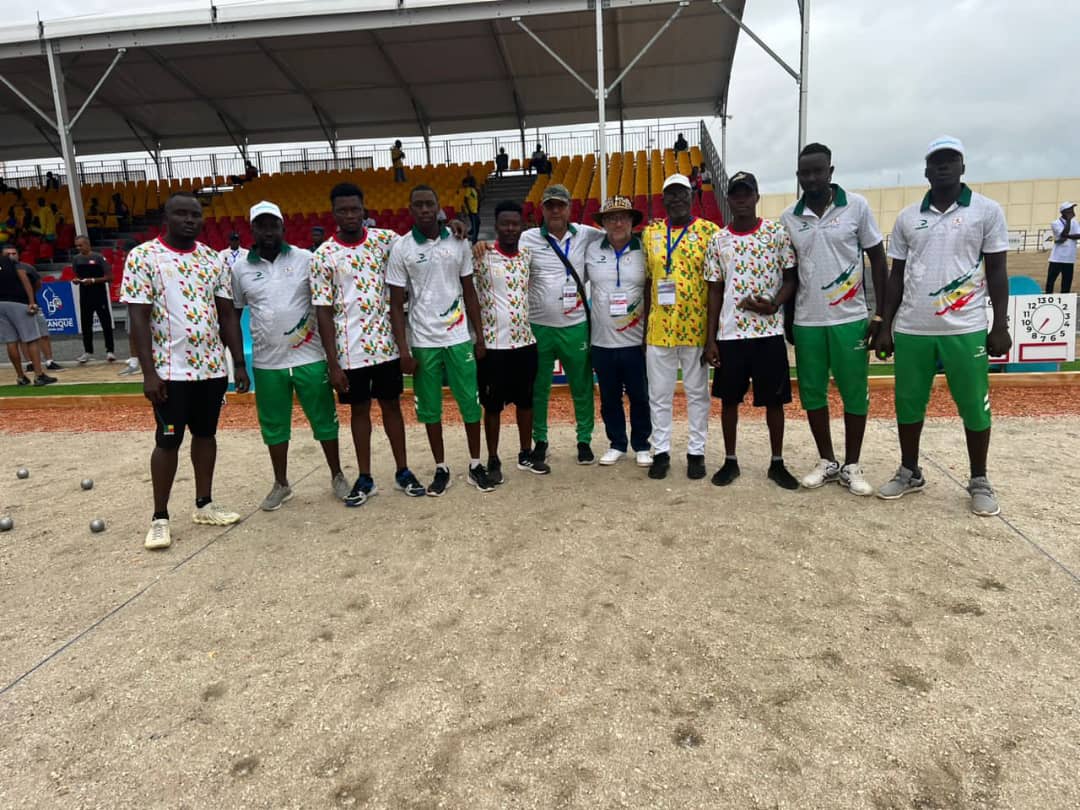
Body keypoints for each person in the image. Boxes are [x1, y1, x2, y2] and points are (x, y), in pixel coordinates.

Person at [873, 136, 1011, 516]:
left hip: (964, 328)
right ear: (926, 170)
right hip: (913, 328)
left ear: (963, 166)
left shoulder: (987, 211)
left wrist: (1000, 324)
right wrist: (886, 324)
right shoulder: (906, 217)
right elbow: (896, 275)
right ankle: (910, 470)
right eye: (937, 162)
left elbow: (997, 272)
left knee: (973, 406)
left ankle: (979, 478)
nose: (944, 167)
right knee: (908, 403)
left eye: (951, 160)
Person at [120, 191, 249, 551]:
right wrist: (149, 372)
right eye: (181, 214)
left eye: (195, 214)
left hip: (210, 369)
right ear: (167, 217)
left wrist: (237, 362)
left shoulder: (212, 259)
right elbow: (138, 319)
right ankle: (160, 517)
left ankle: (204, 504)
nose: (189, 220)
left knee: (206, 436)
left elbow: (226, 314)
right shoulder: (144, 257)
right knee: (168, 440)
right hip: (169, 373)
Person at [780, 143, 888, 495]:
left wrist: (881, 315)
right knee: (812, 393)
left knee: (854, 392)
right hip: (808, 322)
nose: (811, 178)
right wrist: (789, 317)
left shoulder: (856, 206)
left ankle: (852, 464)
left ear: (830, 172)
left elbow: (877, 258)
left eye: (818, 171)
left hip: (850, 318)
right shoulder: (789, 218)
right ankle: (827, 460)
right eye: (805, 173)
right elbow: (790, 273)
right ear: (798, 177)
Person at [311, 182, 427, 505]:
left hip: (387, 347)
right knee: (359, 411)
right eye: (342, 210)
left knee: (392, 407)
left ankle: (403, 470)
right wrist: (332, 363)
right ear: (333, 213)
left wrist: (453, 228)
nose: (349, 215)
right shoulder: (323, 256)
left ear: (364, 210)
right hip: (350, 353)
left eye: (354, 209)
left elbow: (424, 238)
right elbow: (322, 312)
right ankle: (365, 478)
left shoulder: (386, 241)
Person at [231, 200, 350, 510]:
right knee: (273, 425)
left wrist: (333, 359)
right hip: (268, 363)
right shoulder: (240, 268)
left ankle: (337, 475)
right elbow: (234, 313)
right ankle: (281, 483)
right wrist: (240, 365)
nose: (268, 231)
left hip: (310, 357)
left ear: (283, 227)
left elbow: (325, 307)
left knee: (325, 421)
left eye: (273, 225)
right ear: (252, 229)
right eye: (261, 225)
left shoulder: (306, 259)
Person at [387, 184, 495, 495]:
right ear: (411, 209)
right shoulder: (402, 248)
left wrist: (479, 336)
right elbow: (396, 303)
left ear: (438, 207)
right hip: (423, 340)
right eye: (418, 204)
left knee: (470, 404)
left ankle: (476, 465)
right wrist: (403, 348)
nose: (424, 209)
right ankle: (441, 468)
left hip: (459, 337)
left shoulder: (459, 241)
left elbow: (469, 291)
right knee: (430, 409)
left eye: (429, 203)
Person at [704, 171, 799, 490]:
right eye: (736, 193)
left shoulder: (776, 233)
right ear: (728, 198)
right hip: (731, 335)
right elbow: (715, 290)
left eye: (747, 193)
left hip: (768, 332)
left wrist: (772, 304)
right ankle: (730, 461)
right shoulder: (718, 239)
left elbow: (790, 279)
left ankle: (777, 462)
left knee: (774, 400)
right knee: (728, 400)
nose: (742, 199)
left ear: (757, 196)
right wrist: (711, 339)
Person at [518, 183, 603, 468]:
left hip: (575, 325)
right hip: (538, 326)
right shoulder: (527, 238)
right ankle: (540, 441)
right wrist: (480, 244)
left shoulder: (588, 234)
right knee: (538, 388)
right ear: (542, 209)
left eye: (560, 205)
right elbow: (503, 256)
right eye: (550, 205)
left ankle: (584, 441)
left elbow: (620, 236)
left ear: (569, 208)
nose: (555, 210)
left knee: (581, 386)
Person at [641, 174, 721, 480]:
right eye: (670, 195)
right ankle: (660, 451)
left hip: (695, 327)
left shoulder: (708, 232)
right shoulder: (651, 233)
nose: (676, 199)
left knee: (697, 393)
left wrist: (712, 335)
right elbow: (648, 281)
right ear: (664, 200)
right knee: (658, 394)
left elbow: (716, 284)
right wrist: (645, 329)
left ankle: (696, 453)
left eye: (681, 194)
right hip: (659, 329)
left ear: (692, 196)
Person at [473, 200, 540, 483]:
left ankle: (526, 454)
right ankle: (493, 457)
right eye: (505, 224)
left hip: (525, 342)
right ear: (496, 226)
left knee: (526, 402)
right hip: (492, 345)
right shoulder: (480, 255)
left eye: (515, 223)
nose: (510, 228)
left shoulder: (527, 256)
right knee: (492, 406)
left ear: (522, 226)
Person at [586, 196, 652, 467]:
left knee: (640, 395)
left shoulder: (645, 248)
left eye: (623, 217)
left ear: (632, 221)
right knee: (609, 397)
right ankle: (616, 443)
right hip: (602, 340)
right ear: (603, 223)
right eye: (611, 217)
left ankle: (642, 445)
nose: (617, 222)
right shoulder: (591, 250)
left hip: (637, 340)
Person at [2, 244, 61, 378]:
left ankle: (21, 377)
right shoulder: (19, 267)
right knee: (31, 339)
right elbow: (26, 281)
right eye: (8, 254)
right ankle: (39, 375)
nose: (11, 256)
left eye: (13, 253)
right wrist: (31, 302)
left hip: (2, 305)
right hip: (19, 303)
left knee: (11, 341)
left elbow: (36, 283)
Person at [71, 235, 116, 363]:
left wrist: (93, 280)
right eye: (77, 246)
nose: (79, 248)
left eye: (81, 245)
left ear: (87, 244)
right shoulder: (76, 259)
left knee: (105, 323)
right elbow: (76, 274)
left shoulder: (98, 257)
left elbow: (110, 277)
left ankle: (110, 350)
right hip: (84, 294)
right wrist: (76, 280)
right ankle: (88, 351)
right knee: (86, 324)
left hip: (99, 294)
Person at [1047, 202, 1079, 293]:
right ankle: (1048, 297)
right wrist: (1068, 221)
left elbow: (1076, 235)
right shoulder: (1055, 223)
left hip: (1069, 258)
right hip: (1057, 258)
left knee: (1067, 282)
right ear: (1064, 212)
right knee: (1051, 281)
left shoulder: (1075, 222)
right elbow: (1063, 234)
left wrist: (1067, 235)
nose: (1072, 211)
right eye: (1070, 209)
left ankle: (1065, 300)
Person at [462, 177, 480, 244]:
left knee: (477, 223)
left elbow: (477, 199)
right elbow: (465, 199)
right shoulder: (468, 189)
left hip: (475, 210)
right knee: (475, 226)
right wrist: (469, 209)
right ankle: (474, 240)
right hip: (472, 211)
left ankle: (472, 234)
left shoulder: (474, 189)